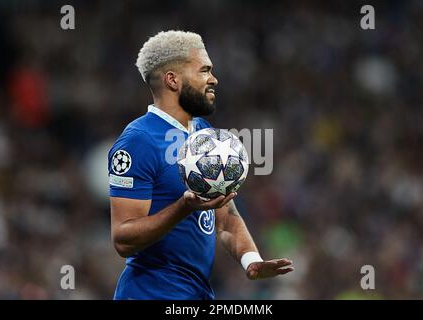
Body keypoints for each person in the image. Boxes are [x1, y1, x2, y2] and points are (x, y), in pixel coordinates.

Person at [108, 30, 293, 300]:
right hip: (150, 293)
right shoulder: (138, 142)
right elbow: (123, 239)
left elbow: (226, 218)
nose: (213, 79)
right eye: (204, 70)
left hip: (197, 294)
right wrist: (183, 207)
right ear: (173, 80)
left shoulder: (204, 134)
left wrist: (250, 260)